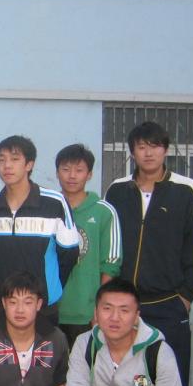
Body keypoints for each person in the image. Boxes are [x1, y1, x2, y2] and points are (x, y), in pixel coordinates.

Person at [105, 121, 193, 386]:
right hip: (124, 306)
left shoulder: (185, 191)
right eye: (141, 146)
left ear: (165, 149)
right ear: (132, 151)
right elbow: (110, 244)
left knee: (171, 382)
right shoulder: (118, 190)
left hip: (167, 303)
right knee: (123, 380)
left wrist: (187, 296)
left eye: (155, 145)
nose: (148, 153)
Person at [0, 135, 79, 325]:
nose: (7, 166)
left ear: (29, 164)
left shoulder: (54, 203)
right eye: (1, 160)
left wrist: (47, 287)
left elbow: (69, 254)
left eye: (14, 159)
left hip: (42, 308)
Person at [55, 144, 122, 344]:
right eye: (66, 169)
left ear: (89, 174)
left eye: (79, 170)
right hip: (51, 311)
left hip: (87, 313)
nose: (72, 176)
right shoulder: (48, 208)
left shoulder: (104, 211)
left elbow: (111, 264)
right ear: (57, 173)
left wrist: (102, 308)